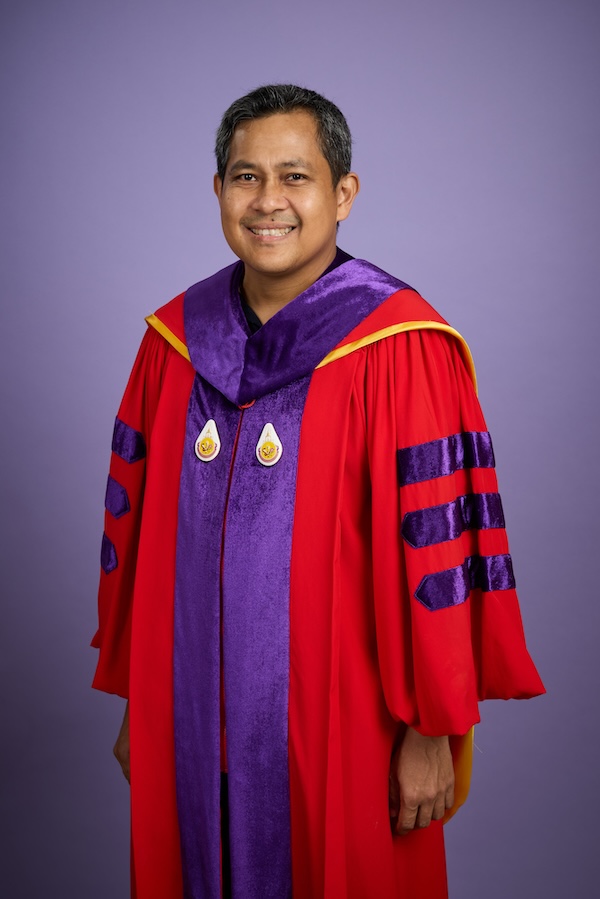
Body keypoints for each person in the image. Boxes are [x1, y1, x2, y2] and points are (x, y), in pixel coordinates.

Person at [92, 84, 544, 899]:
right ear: (219, 190)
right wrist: (140, 700)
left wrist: (432, 730)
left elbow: (438, 557)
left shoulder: (400, 345)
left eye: (295, 176)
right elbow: (142, 545)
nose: (268, 201)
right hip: (191, 720)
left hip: (346, 727)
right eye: (246, 176)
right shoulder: (174, 343)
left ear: (343, 194)